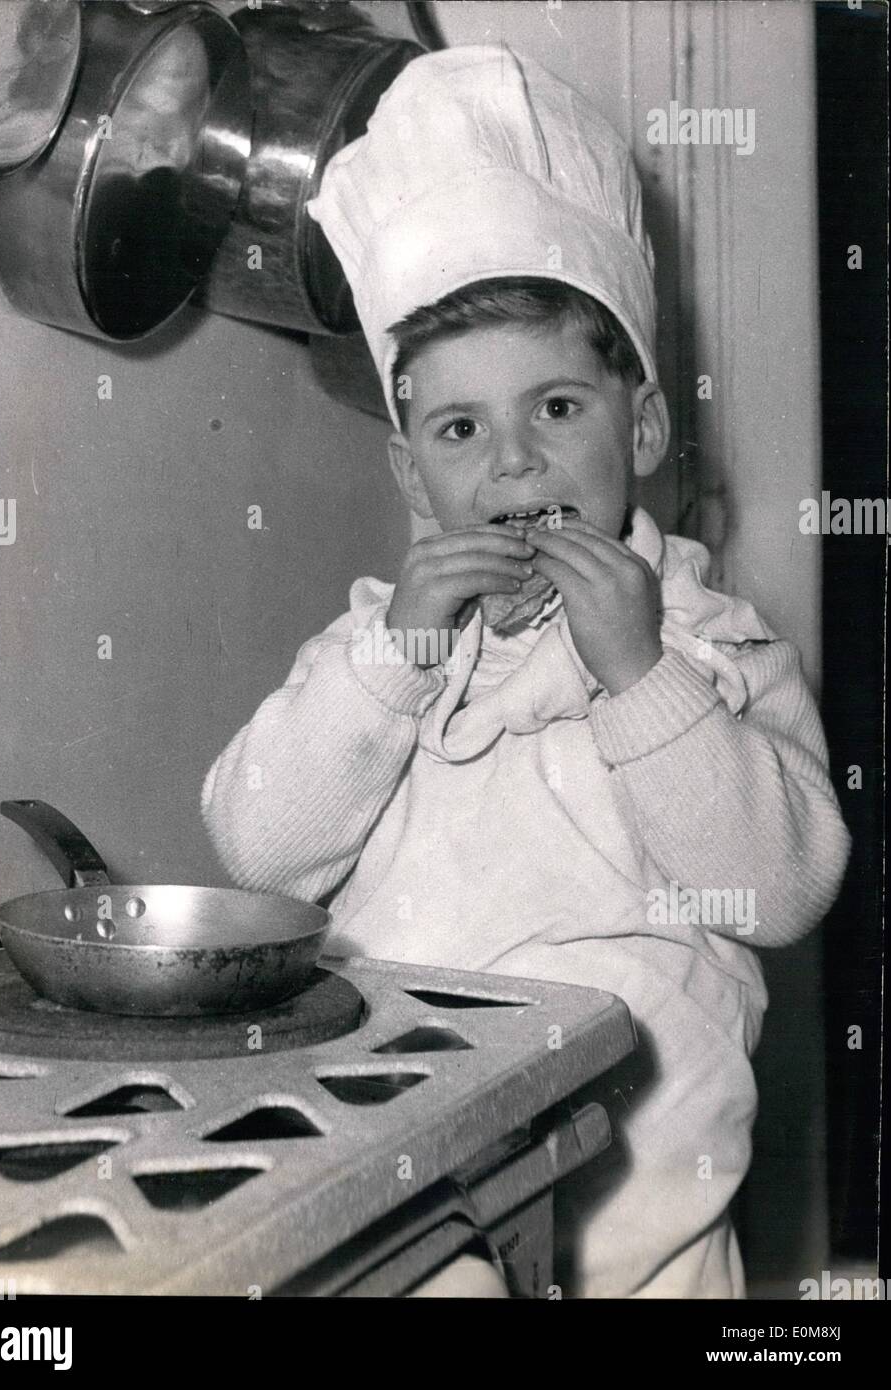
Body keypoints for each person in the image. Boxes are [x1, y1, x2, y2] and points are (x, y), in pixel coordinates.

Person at [201, 46, 850, 1296]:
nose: (512, 465)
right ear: (410, 477)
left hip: (640, 1188)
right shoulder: (379, 651)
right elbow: (262, 853)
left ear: (642, 429)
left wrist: (638, 673)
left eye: (555, 408)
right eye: (459, 430)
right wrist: (397, 658)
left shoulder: (710, 644)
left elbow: (776, 893)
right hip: (410, 1150)